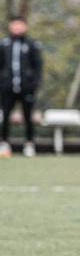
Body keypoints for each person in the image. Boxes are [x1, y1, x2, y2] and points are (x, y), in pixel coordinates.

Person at [0, 16, 42, 158]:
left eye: (20, 25)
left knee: (28, 116)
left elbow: (38, 66)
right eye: (14, 25)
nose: (17, 28)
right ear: (10, 26)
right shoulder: (3, 44)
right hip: (7, 87)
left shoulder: (31, 44)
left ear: (25, 26)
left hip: (26, 87)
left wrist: (34, 84)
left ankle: (29, 144)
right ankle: (4, 144)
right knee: (5, 116)